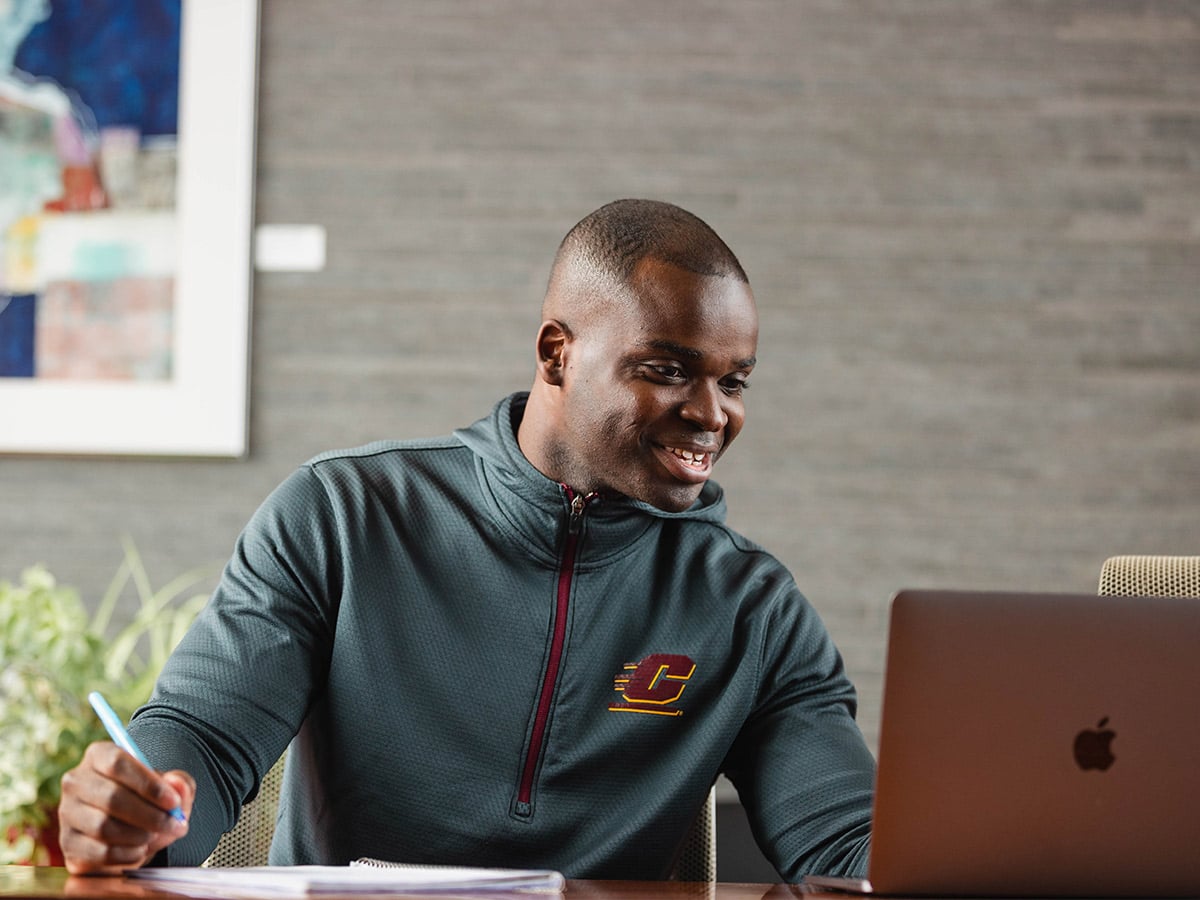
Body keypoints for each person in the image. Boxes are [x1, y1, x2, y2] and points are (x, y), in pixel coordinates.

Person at [58, 199, 875, 880]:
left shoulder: (751, 607)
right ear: (558, 354)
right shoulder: (345, 513)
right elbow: (203, 735)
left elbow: (843, 847)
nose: (711, 413)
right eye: (666, 369)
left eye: (733, 381)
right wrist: (137, 815)